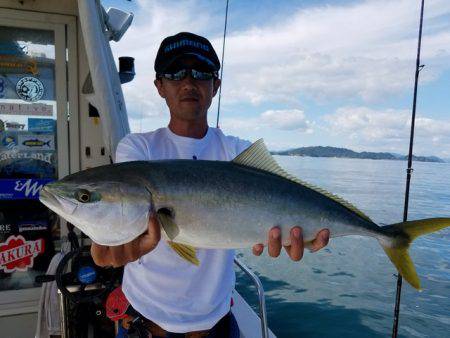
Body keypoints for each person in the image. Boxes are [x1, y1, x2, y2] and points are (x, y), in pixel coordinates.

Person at [91, 32, 330, 337]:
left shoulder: (237, 152)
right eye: (176, 73)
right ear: (159, 86)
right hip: (147, 320)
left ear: (215, 85)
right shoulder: (139, 150)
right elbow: (119, 217)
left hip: (216, 321)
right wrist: (109, 248)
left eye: (201, 73)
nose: (189, 82)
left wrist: (307, 234)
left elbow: (285, 202)